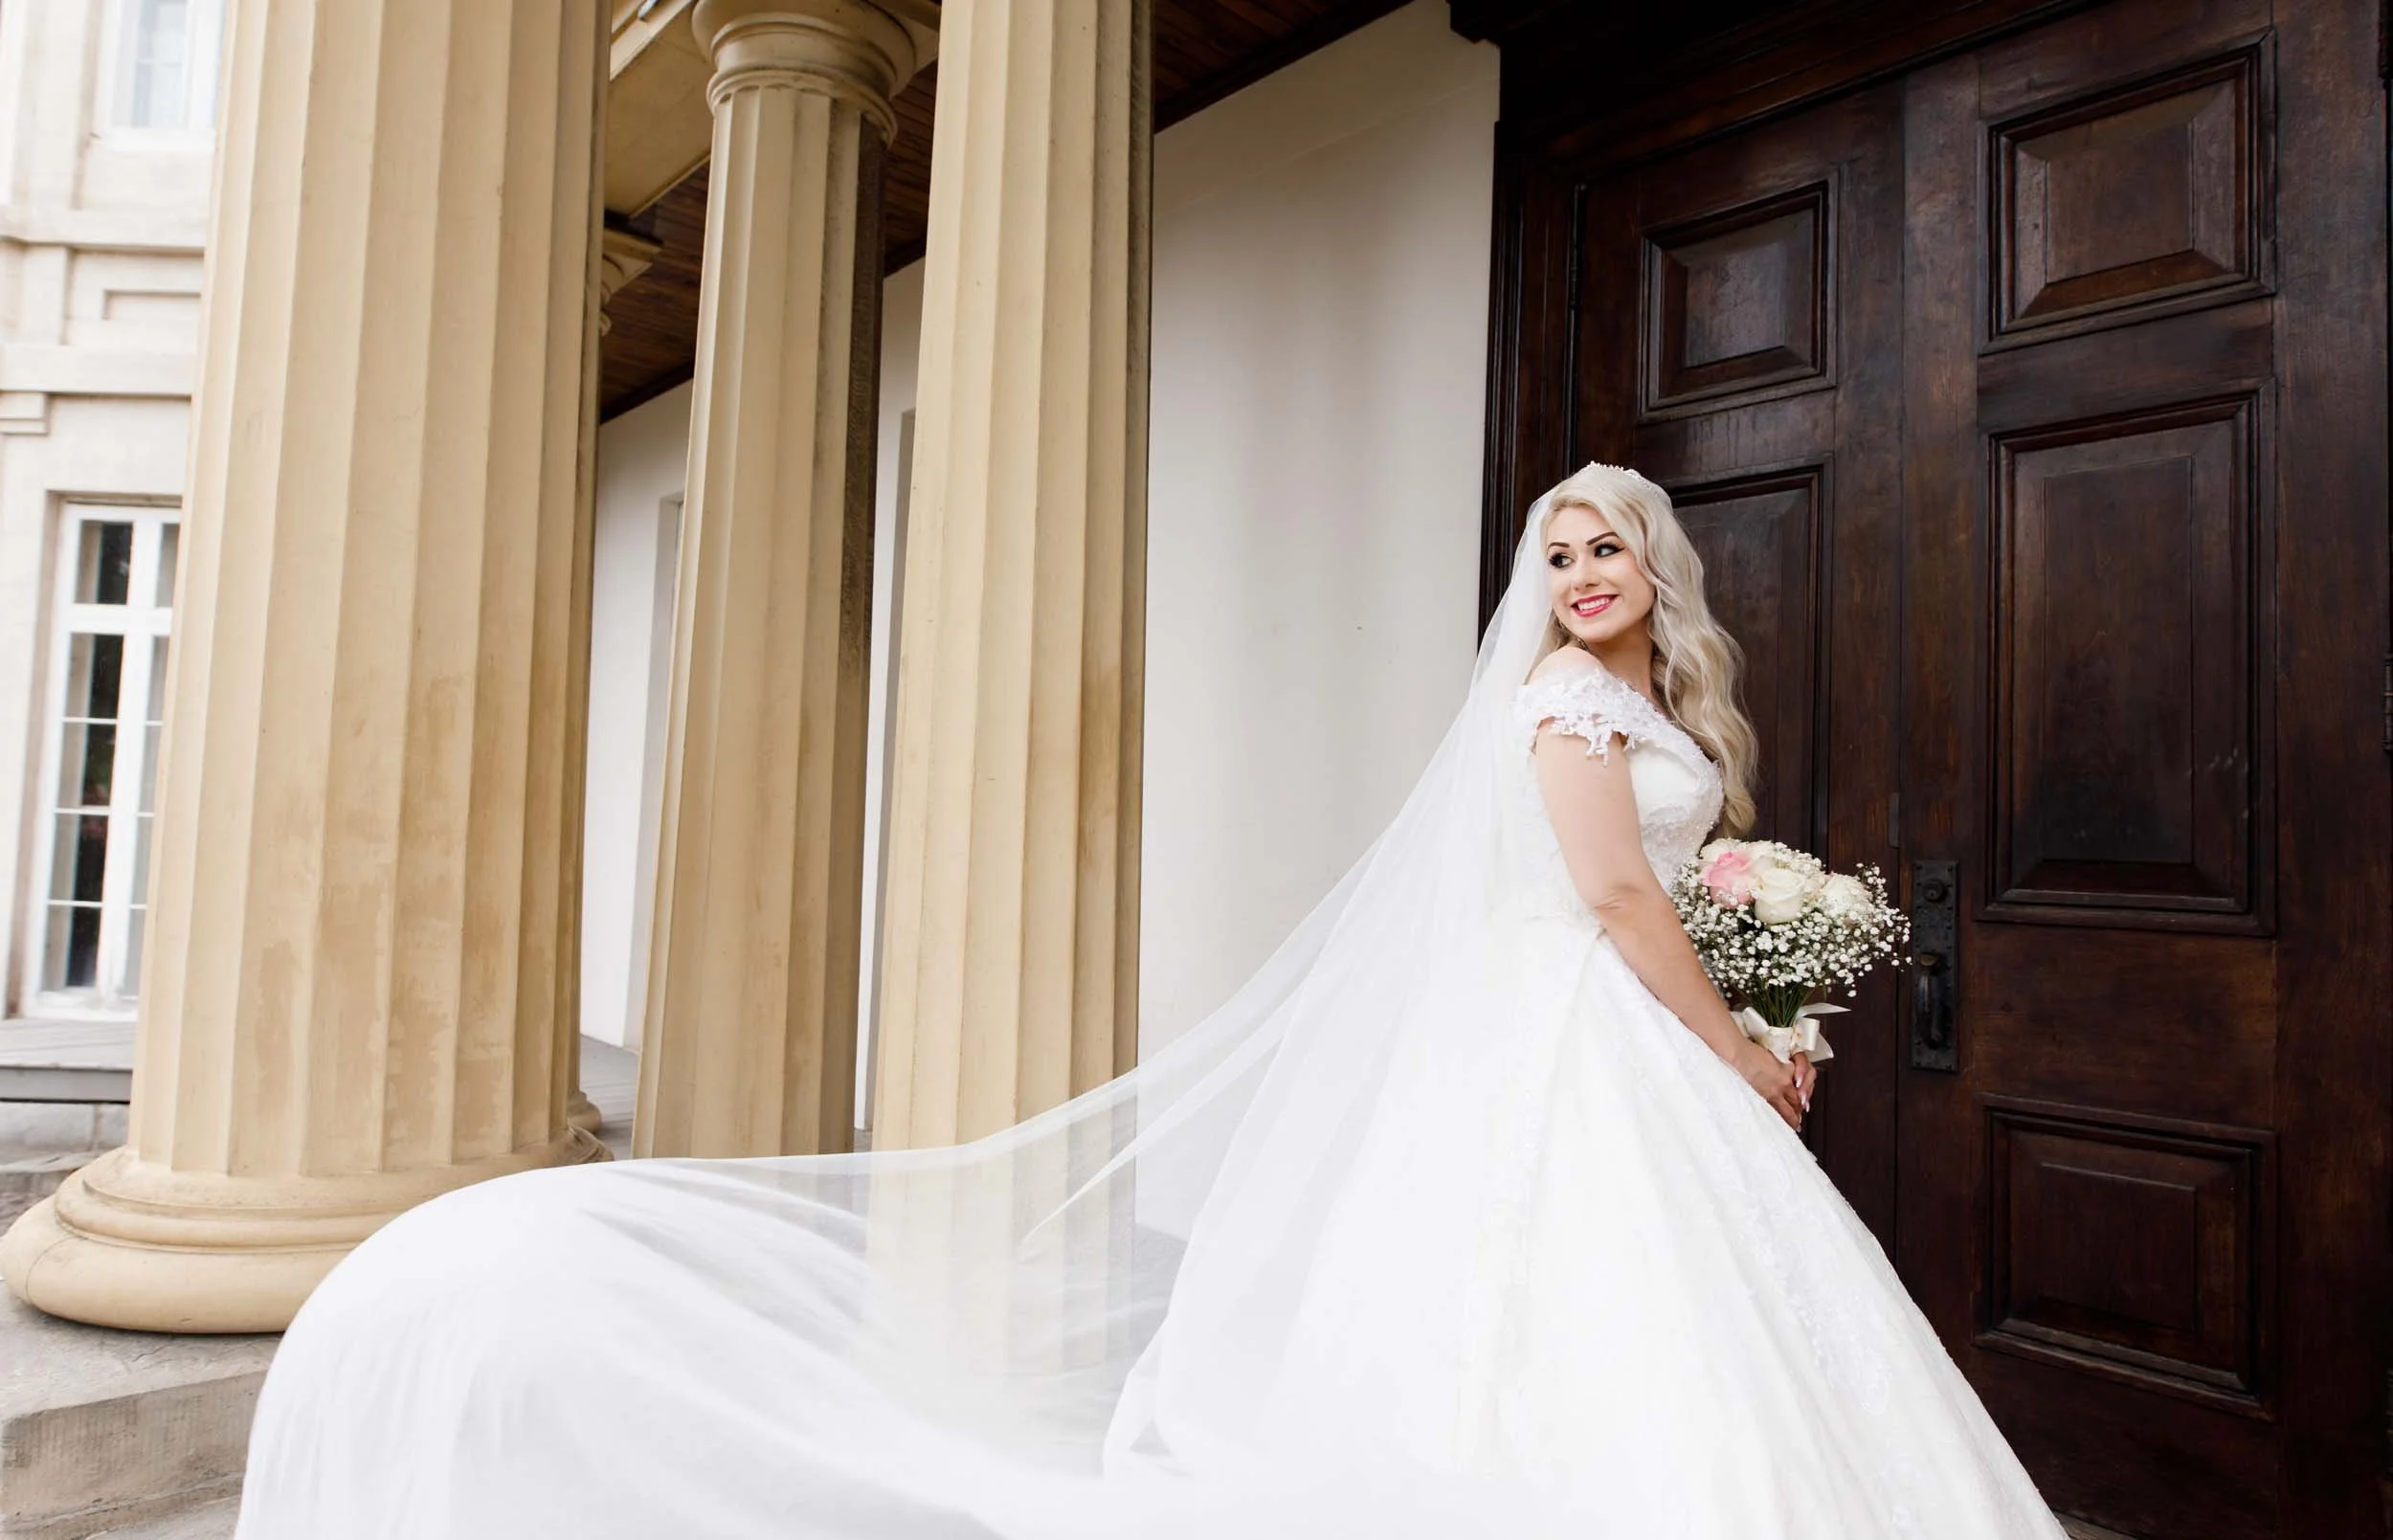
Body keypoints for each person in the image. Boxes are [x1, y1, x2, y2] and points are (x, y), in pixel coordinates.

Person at [235, 464, 2065, 1539]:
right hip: (1583, 1031)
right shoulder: (1571, 715)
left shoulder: (1665, 710)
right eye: (1559, 550)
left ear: (1657, 573)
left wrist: (1753, 960)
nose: (1584, 573)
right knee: (1573, 1305)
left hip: (1602, 1028)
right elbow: (1603, 891)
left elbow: (1654, 888)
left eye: (1609, 547)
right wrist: (1744, 1046)